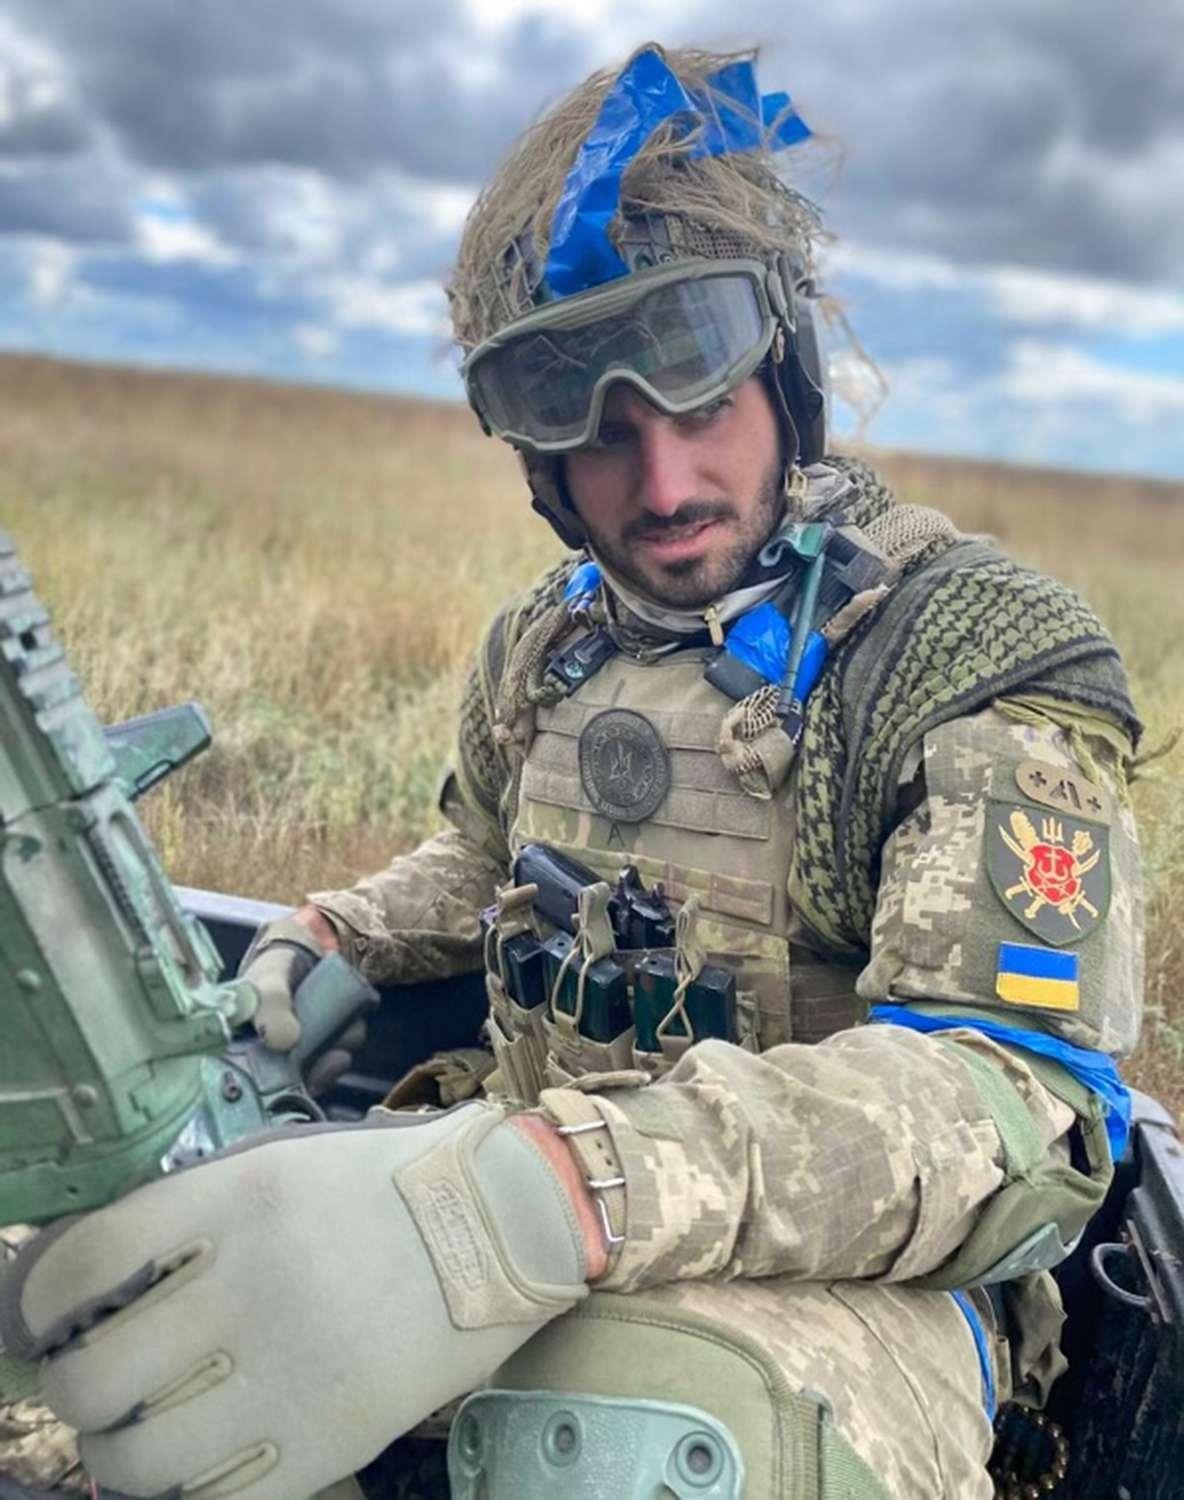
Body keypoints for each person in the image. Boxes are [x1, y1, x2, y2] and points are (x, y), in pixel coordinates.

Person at [0, 43, 1143, 1500]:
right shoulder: (552, 642)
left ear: (783, 374)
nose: (662, 487)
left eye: (700, 408)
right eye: (601, 435)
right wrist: (335, 935)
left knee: (628, 1448)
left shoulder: (957, 656)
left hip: (855, 1286)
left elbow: (1009, 1101)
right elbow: (485, 861)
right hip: (522, 1208)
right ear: (539, 459)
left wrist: (552, 1192)